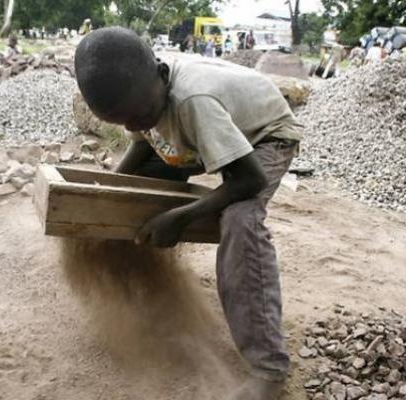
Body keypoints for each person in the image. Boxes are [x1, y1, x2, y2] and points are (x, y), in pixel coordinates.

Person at [75, 27, 303, 400]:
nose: (135, 126)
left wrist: (180, 217)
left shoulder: (193, 99)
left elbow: (248, 178)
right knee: (140, 195)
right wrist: (108, 192)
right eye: (123, 122)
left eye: (140, 115)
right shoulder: (143, 99)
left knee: (239, 220)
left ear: (162, 76)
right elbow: (141, 145)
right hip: (199, 134)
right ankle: (149, 301)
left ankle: (269, 369)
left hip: (262, 137)